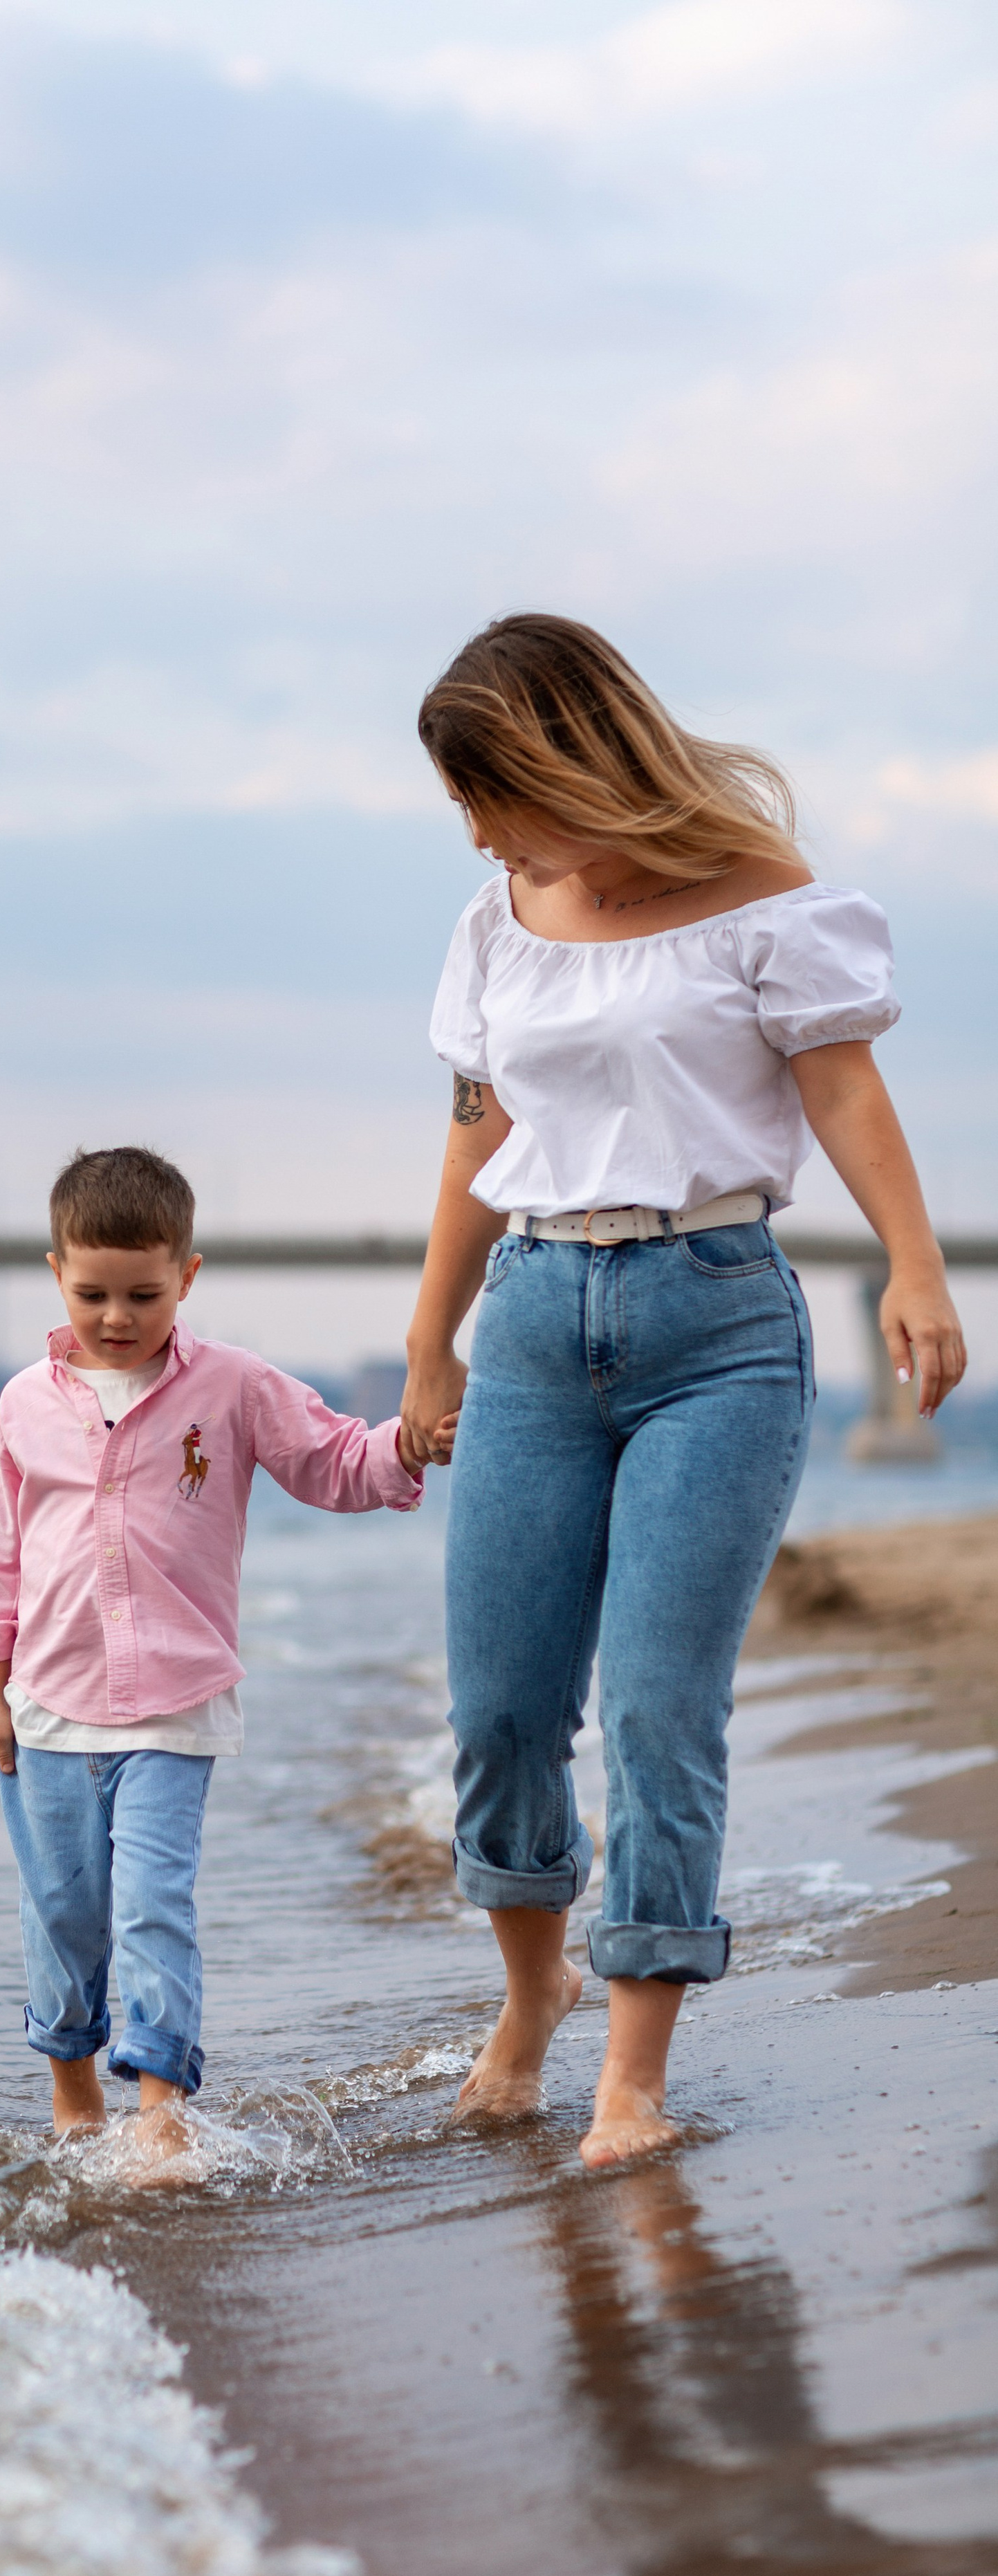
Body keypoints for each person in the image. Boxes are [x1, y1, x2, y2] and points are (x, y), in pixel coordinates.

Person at [398, 614, 966, 2167]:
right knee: (503, 1712)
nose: (472, 828)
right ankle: (531, 1997)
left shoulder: (760, 896)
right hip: (526, 1320)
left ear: (559, 756)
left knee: (659, 1708)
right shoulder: (495, 914)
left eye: (486, 789)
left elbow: (837, 1085)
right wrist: (425, 1340)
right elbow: (472, 1133)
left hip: (715, 1325)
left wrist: (911, 1265)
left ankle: (628, 2079)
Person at [0, 1145, 429, 2176]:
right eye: (92, 1294)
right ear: (56, 1275)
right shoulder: (24, 1403)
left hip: (175, 1705)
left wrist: (409, 1444)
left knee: (151, 1904)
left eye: (142, 1293)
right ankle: (72, 2086)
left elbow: (332, 1459)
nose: (116, 1317)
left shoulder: (233, 1387)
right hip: (44, 1710)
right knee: (64, 1913)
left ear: (188, 1276)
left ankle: (162, 2105)